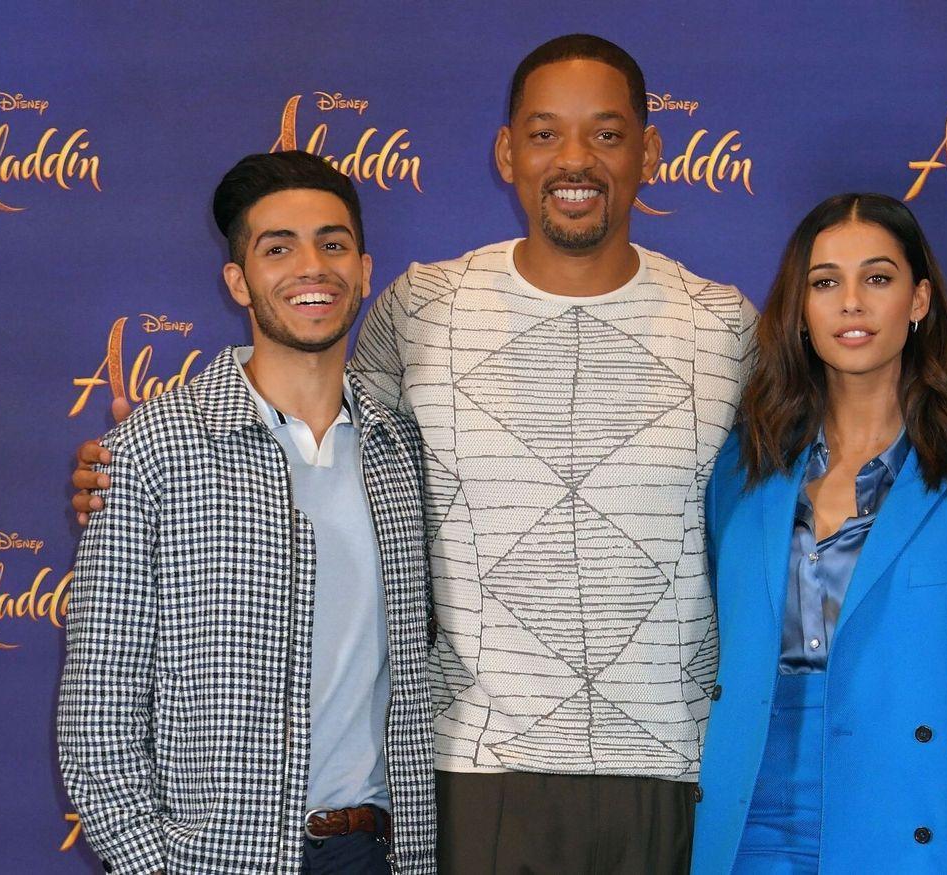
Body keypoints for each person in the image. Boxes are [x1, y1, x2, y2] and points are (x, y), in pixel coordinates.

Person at [74, 35, 756, 873]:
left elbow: (793, 504)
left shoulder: (727, 327)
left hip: (668, 768)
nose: (575, 158)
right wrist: (143, 461)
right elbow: (298, 406)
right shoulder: (423, 307)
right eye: (545, 133)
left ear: (650, 150)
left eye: (607, 133)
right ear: (507, 152)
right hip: (474, 775)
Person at [57, 151, 435, 875]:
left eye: (332, 243)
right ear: (238, 280)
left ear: (363, 269)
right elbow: (98, 707)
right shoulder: (152, 451)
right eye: (277, 248)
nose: (311, 267)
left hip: (380, 852)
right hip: (220, 859)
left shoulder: (405, 450)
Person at [691, 194, 947, 873]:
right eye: (825, 281)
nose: (851, 302)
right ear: (801, 310)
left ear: (919, 301)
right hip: (748, 823)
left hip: (909, 820)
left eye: (879, 278)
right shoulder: (739, 476)